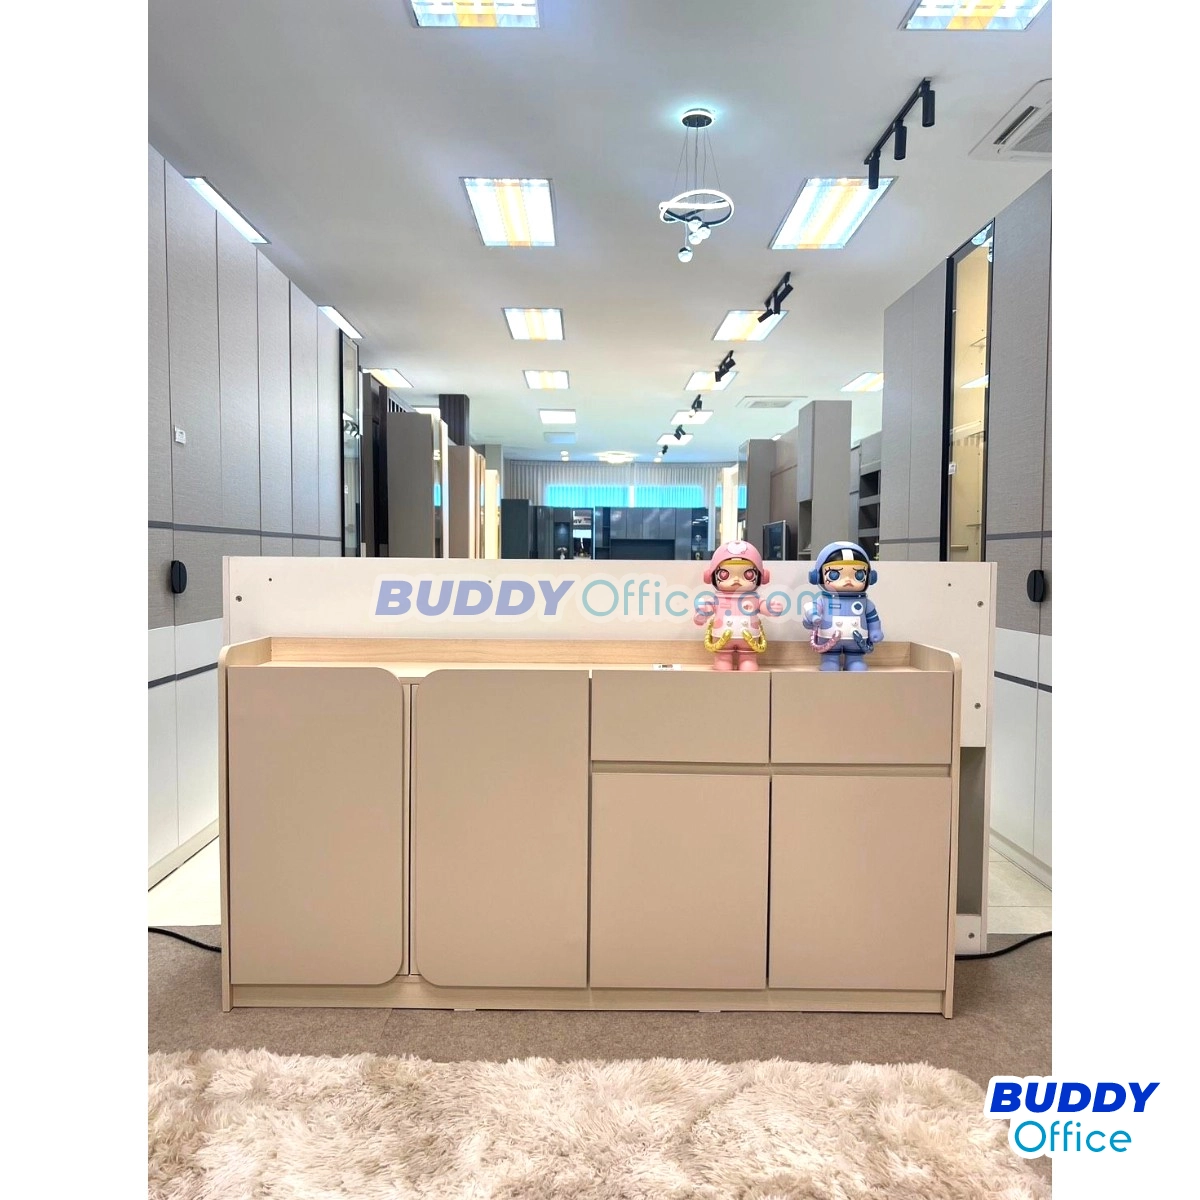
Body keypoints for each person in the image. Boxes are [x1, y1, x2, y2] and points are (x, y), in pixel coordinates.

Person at [802, 541, 884, 672]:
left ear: (870, 577)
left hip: (857, 641)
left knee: (857, 664)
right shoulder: (823, 600)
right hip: (828, 638)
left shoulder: (865, 603)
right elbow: (811, 610)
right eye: (834, 574)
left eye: (858, 575)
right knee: (830, 664)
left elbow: (872, 617)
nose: (847, 580)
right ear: (817, 576)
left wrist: (875, 631)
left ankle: (855, 661)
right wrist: (810, 619)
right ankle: (829, 660)